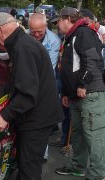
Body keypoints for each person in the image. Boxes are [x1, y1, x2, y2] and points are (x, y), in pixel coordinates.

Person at [0, 12, 63, 180]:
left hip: (37, 118)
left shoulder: (23, 47)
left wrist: (6, 115)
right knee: (24, 163)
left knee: (29, 168)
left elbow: (27, 93)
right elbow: (15, 82)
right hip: (36, 115)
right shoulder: (22, 43)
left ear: (0, 30)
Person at [55, 7, 105, 180]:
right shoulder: (71, 36)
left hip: (91, 93)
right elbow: (69, 67)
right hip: (77, 95)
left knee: (95, 136)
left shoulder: (83, 33)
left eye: (58, 21)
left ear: (67, 19)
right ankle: (78, 166)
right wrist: (66, 92)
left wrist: (82, 85)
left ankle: (98, 173)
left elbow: (92, 60)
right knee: (78, 133)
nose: (57, 25)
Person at [28, 12, 61, 161]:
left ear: (46, 27)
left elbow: (49, 66)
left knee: (42, 120)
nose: (35, 35)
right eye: (32, 31)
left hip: (45, 84)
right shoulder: (25, 36)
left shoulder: (53, 40)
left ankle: (43, 154)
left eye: (39, 32)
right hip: (28, 81)